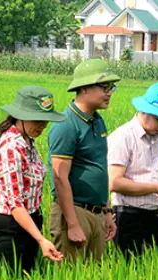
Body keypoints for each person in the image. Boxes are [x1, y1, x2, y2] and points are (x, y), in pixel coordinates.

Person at [0, 86, 65, 272]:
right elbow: (15, 203)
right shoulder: (11, 147)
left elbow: (15, 187)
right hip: (12, 227)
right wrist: (41, 239)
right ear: (20, 116)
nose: (43, 126)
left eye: (46, 121)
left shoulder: (27, 141)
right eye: (38, 120)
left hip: (28, 222)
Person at [48, 59, 120, 263]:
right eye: (104, 87)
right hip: (75, 211)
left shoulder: (97, 120)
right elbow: (60, 178)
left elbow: (99, 168)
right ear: (85, 88)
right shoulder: (66, 125)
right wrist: (72, 224)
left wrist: (106, 212)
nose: (109, 93)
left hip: (96, 212)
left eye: (111, 87)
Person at [107, 82, 158, 258]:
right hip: (129, 219)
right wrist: (157, 188)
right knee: (129, 275)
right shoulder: (123, 137)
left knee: (151, 275)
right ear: (146, 111)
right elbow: (114, 182)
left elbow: (154, 179)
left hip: (155, 218)